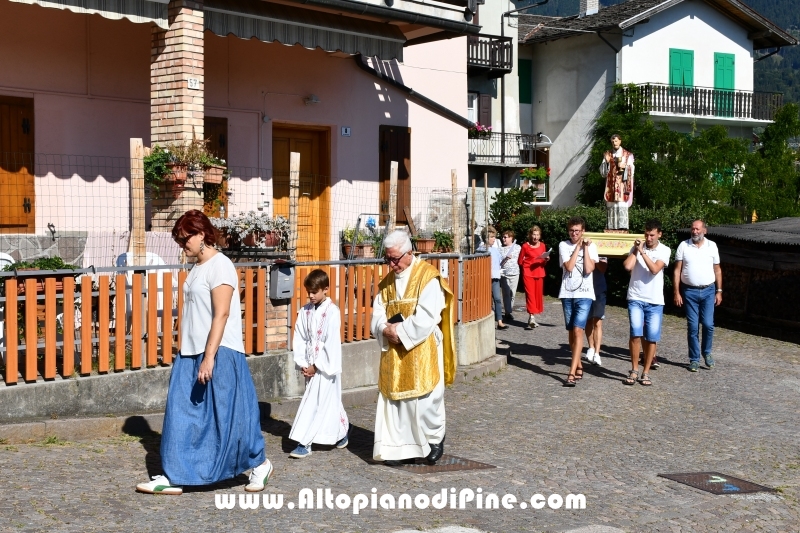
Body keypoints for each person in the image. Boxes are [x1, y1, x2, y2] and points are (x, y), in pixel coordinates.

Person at [136, 210, 271, 495]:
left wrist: (209, 357)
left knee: (229, 417)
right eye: (179, 240)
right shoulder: (196, 268)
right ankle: (174, 475)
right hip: (190, 351)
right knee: (180, 413)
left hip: (220, 350)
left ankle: (259, 464)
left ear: (201, 234)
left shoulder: (220, 266)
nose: (183, 245)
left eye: (185, 239)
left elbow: (221, 315)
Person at [370, 230, 456, 466]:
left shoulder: (428, 277)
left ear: (410, 253)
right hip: (394, 350)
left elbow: (428, 316)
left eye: (395, 258)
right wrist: (383, 329)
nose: (391, 263)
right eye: (387, 258)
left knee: (426, 400)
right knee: (396, 402)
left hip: (422, 346)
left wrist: (400, 332)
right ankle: (400, 449)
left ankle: (433, 440)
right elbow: (377, 313)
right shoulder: (386, 283)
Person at [288, 269, 350, 459]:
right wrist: (303, 363)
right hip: (310, 366)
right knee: (326, 402)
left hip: (325, 367)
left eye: (315, 292)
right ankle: (340, 432)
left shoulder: (332, 312)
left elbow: (331, 342)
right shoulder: (305, 311)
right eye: (309, 292)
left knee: (313, 404)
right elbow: (299, 337)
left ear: (326, 290)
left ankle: (304, 441)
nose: (311, 296)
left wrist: (318, 365)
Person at [622, 220, 671, 386]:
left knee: (651, 337)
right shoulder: (637, 249)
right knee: (635, 333)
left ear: (659, 234)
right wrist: (636, 250)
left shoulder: (665, 250)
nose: (648, 238)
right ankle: (634, 370)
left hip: (655, 301)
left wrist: (643, 253)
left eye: (652, 235)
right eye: (646, 234)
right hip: (636, 297)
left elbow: (655, 269)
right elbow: (628, 266)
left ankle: (646, 372)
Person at [673, 219, 722, 372]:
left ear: (704, 231)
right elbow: (677, 271)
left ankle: (706, 353)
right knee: (693, 326)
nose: (695, 232)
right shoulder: (683, 245)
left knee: (708, 324)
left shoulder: (712, 246)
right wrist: (676, 291)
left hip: (708, 291)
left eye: (698, 229)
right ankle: (694, 359)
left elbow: (718, 270)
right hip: (689, 292)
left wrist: (719, 291)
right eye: (693, 229)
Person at [558, 217, 598, 387]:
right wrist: (577, 248)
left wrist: (586, 249)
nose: (574, 234)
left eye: (577, 231)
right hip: (567, 293)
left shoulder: (591, 246)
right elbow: (569, 266)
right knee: (571, 332)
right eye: (571, 231)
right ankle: (578, 364)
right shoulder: (563, 245)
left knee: (578, 330)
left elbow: (589, 269)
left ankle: (571, 372)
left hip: (585, 294)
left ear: (583, 231)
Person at [599, 133, 635, 230]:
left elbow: (632, 171)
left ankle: (622, 228)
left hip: (622, 186)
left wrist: (625, 167)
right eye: (613, 141)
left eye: (616, 141)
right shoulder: (608, 154)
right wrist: (606, 162)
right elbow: (603, 173)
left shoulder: (627, 155)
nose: (614, 143)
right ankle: (611, 227)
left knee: (621, 204)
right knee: (611, 205)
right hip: (611, 186)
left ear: (620, 141)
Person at [517, 225, 550, 330]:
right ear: (530, 235)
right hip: (528, 273)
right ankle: (531, 317)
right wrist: (529, 263)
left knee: (537, 295)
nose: (535, 237)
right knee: (530, 295)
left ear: (540, 235)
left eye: (537, 235)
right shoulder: (525, 246)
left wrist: (546, 259)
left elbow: (543, 263)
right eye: (533, 234)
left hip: (539, 272)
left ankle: (533, 316)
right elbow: (520, 261)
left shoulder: (543, 246)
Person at [479, 226, 507, 330]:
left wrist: (506, 259)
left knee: (497, 298)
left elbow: (500, 263)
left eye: (494, 237)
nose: (494, 239)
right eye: (491, 237)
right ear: (486, 238)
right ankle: (486, 319)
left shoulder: (495, 250)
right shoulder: (480, 250)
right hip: (485, 278)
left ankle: (499, 321)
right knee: (486, 299)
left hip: (495, 277)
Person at [584, 256, 608, 366]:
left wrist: (595, 257)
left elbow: (603, 268)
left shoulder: (602, 250)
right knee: (588, 320)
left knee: (598, 322)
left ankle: (597, 353)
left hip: (599, 289)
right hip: (584, 289)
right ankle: (591, 348)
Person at [499, 230, 521, 323]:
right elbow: (499, 263)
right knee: (506, 293)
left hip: (515, 273)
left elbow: (522, 257)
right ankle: (508, 312)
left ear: (511, 238)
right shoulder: (500, 249)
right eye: (503, 237)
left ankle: (509, 310)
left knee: (512, 294)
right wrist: (505, 258)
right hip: (504, 274)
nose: (503, 239)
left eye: (506, 237)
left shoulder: (517, 247)